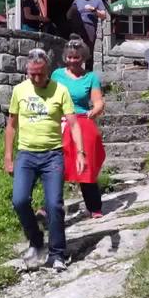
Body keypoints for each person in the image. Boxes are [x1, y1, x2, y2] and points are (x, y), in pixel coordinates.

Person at [5, 48, 86, 271]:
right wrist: (8, 157)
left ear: (48, 70)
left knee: (54, 205)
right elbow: (11, 125)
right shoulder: (19, 91)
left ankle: (57, 254)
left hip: (52, 155)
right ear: (27, 71)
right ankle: (36, 239)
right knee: (19, 201)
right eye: (32, 74)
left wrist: (80, 152)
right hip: (27, 155)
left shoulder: (60, 91)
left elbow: (73, 123)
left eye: (40, 74)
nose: (36, 78)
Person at [49, 35, 107, 219]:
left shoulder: (90, 78)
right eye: (70, 57)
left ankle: (94, 206)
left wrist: (95, 111)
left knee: (87, 163)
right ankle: (50, 206)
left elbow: (98, 102)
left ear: (83, 58)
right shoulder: (56, 75)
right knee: (57, 165)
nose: (73, 60)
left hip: (82, 119)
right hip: (62, 121)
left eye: (77, 57)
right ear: (65, 58)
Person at [67, 0, 107, 71]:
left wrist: (93, 10)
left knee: (88, 51)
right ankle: (75, 70)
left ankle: (88, 72)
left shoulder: (97, 1)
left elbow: (104, 15)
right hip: (78, 25)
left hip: (90, 27)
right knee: (76, 49)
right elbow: (70, 15)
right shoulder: (77, 1)